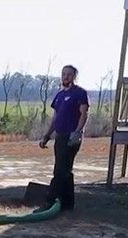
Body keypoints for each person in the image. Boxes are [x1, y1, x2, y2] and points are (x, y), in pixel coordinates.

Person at [39, 65, 89, 210]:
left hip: (71, 136)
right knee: (66, 170)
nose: (65, 77)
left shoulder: (80, 93)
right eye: (63, 74)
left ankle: (49, 201)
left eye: (69, 74)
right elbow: (55, 119)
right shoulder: (59, 96)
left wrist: (78, 132)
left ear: (74, 77)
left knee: (60, 170)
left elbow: (84, 114)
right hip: (60, 137)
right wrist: (47, 136)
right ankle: (67, 204)